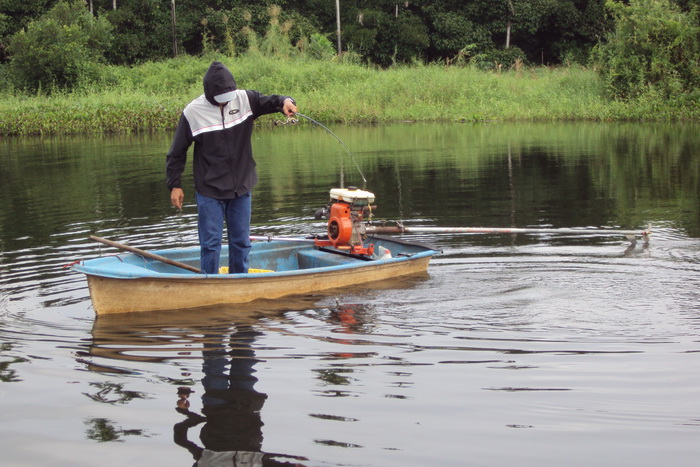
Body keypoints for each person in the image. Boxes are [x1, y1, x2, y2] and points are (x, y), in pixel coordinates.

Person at [166, 61, 298, 274]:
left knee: (241, 243)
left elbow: (273, 100)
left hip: (242, 186)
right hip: (210, 189)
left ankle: (240, 282)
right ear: (209, 93)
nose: (224, 103)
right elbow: (176, 152)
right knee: (210, 245)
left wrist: (286, 102)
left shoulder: (245, 99)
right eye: (219, 100)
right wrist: (175, 185)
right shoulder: (193, 112)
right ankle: (209, 282)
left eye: (227, 98)